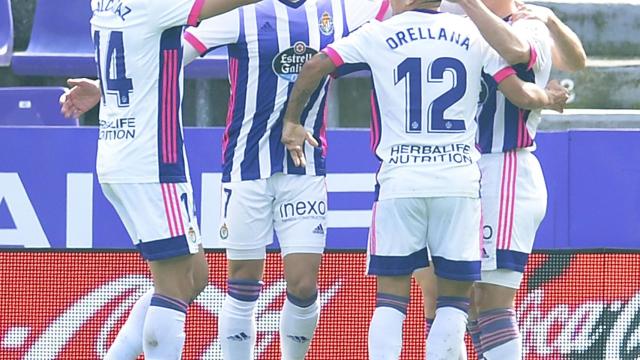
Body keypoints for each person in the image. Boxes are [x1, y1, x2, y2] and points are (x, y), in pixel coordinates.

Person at [281, 0, 569, 358]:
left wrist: (293, 121)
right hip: (459, 185)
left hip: (400, 183)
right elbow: (519, 93)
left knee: (390, 302)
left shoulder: (379, 32)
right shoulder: (471, 32)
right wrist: (550, 97)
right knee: (453, 304)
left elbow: (314, 65)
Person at [59, 0, 309, 358]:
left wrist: (101, 87)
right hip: (152, 163)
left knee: (195, 276)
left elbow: (141, 48)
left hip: (120, 153)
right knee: (174, 287)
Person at [181, 1, 391, 359]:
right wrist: (101, 86)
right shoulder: (241, 10)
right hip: (247, 166)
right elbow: (175, 54)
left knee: (304, 284)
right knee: (243, 281)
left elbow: (411, 9)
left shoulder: (342, 9)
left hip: (304, 166)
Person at [414, 1, 587, 358]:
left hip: (504, 168)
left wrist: (470, 6)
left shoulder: (529, 24)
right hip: (458, 171)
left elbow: (518, 51)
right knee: (462, 299)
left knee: (491, 301)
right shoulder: (451, 19)